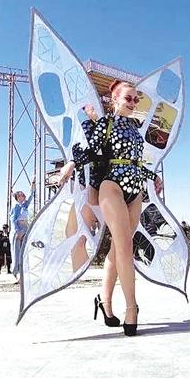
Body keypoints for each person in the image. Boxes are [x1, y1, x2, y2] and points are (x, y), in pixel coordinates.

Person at [59, 80, 164, 336]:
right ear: (114, 99)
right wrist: (71, 163)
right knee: (125, 246)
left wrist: (153, 177)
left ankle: (104, 301)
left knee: (119, 248)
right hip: (111, 186)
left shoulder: (135, 129)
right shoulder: (105, 123)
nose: (133, 103)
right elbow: (90, 150)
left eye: (136, 99)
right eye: (128, 98)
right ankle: (132, 308)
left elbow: (135, 162)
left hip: (135, 190)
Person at [65, 104, 103, 272]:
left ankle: (79, 271)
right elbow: (80, 150)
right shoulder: (86, 126)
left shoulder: (96, 126)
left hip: (95, 183)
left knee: (75, 232)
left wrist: (73, 162)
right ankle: (79, 270)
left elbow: (84, 151)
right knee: (75, 232)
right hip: (90, 182)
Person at [10, 180, 35, 280]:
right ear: (17, 197)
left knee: (24, 251)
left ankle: (23, 272)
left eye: (23, 194)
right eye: (20, 195)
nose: (23, 196)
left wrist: (32, 186)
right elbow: (13, 219)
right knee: (16, 251)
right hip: (18, 228)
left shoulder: (24, 205)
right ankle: (16, 272)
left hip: (25, 227)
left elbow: (31, 196)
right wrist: (18, 230)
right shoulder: (15, 206)